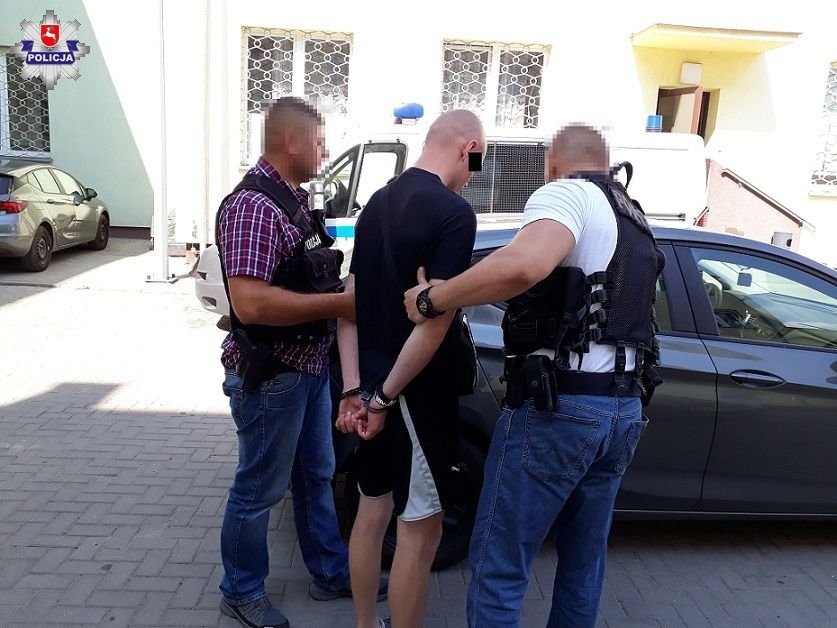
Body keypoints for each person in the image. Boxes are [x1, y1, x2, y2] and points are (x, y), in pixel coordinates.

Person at [404, 123, 665, 628]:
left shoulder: (568, 193)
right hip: (622, 411)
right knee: (583, 565)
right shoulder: (633, 215)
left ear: (553, 163)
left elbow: (524, 265)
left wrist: (432, 298)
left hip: (561, 412)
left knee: (500, 564)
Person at [215, 97, 384, 628]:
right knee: (259, 488)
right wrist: (339, 305)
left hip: (306, 370)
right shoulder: (254, 207)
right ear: (291, 142)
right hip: (272, 376)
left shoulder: (293, 203)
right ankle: (240, 591)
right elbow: (250, 303)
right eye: (318, 142)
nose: (324, 152)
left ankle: (331, 571)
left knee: (317, 475)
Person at [334, 110, 486, 628]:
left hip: (372, 392)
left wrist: (354, 389)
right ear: (468, 148)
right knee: (420, 533)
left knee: (370, 511)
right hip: (416, 400)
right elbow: (433, 325)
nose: (474, 176)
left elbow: (349, 304)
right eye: (478, 163)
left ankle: (364, 624)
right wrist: (382, 398)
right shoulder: (453, 213)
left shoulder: (376, 204)